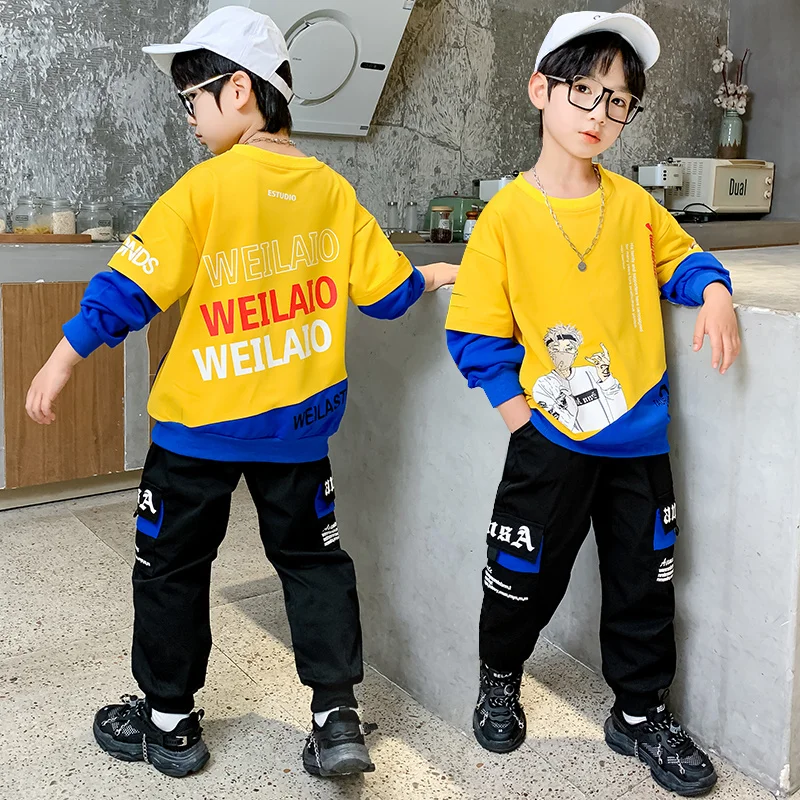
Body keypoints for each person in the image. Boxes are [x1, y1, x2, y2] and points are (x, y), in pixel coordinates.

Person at [25, 5, 456, 780]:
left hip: (199, 431)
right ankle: (335, 717)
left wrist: (61, 358)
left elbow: (129, 289)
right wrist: (432, 276)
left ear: (239, 91)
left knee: (172, 566)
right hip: (299, 431)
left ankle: (170, 725)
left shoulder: (205, 188)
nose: (189, 117)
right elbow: (388, 294)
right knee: (314, 563)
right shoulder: (331, 190)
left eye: (192, 98)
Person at [445, 11, 739, 797]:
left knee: (646, 586)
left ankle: (639, 714)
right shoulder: (506, 216)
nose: (600, 114)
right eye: (584, 90)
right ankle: (500, 677)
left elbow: (685, 258)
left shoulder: (635, 205)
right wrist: (522, 421)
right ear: (540, 90)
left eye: (618, 101)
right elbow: (474, 331)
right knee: (521, 575)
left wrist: (713, 290)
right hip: (549, 441)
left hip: (639, 442)